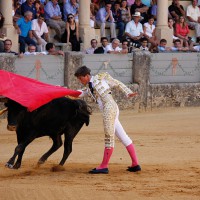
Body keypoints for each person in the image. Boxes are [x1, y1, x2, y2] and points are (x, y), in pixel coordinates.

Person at [74, 66, 141, 174]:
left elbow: (116, 83)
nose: (80, 81)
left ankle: (104, 166)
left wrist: (128, 92)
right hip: (109, 108)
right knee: (123, 136)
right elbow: (79, 93)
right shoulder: (88, 88)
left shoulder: (100, 78)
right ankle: (135, 164)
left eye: (81, 78)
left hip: (109, 108)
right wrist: (63, 92)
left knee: (109, 137)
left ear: (87, 76)